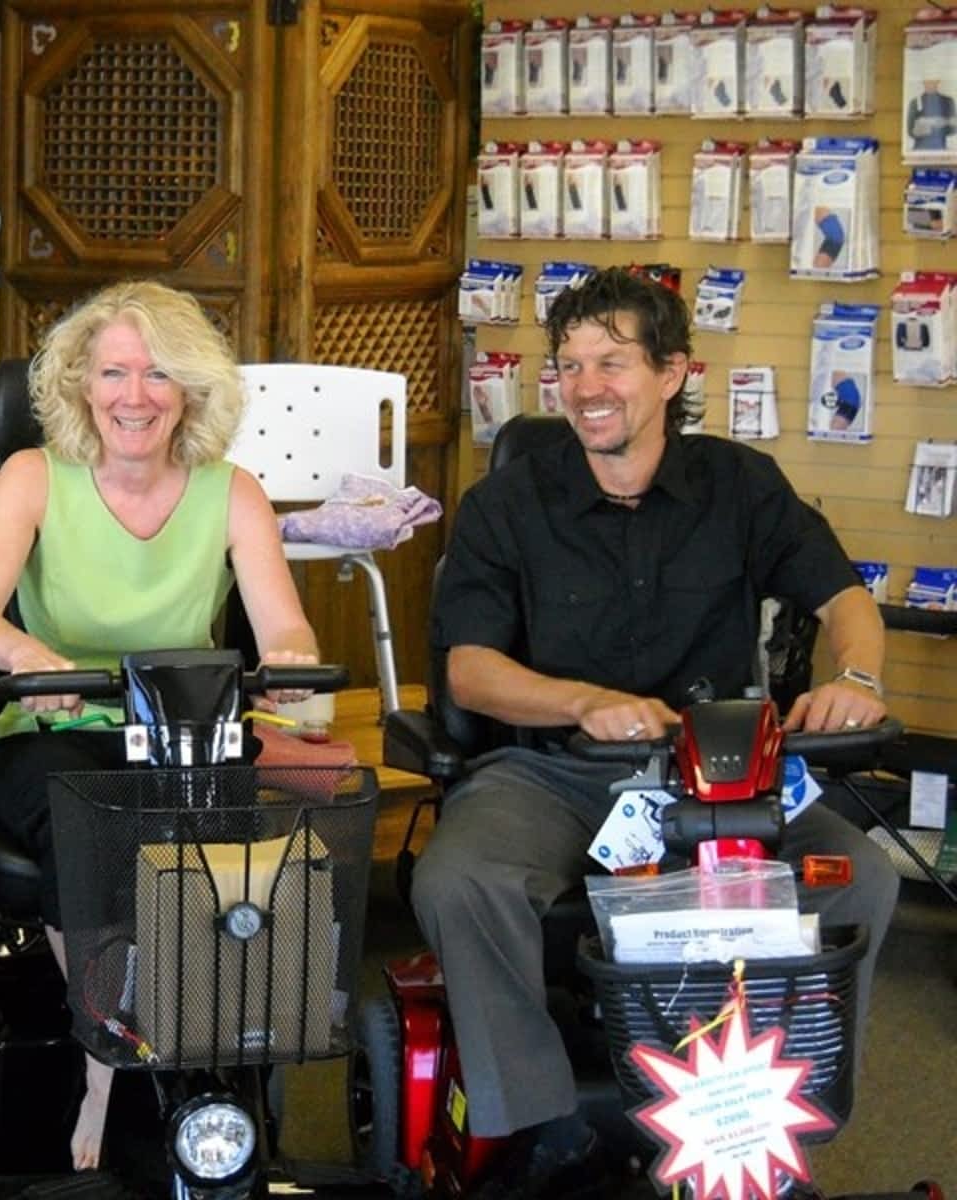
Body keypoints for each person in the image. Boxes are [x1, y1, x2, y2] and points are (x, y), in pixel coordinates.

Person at [412, 267, 899, 1199]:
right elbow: (470, 670)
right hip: (553, 771)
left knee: (861, 877)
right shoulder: (507, 503)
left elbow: (844, 600)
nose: (585, 386)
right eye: (569, 365)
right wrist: (580, 702)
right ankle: (540, 1124)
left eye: (612, 362)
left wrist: (858, 680)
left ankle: (772, 1119)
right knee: (460, 879)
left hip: (717, 775)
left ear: (673, 372)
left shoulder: (740, 485)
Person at [0, 279, 320, 1171]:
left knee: (245, 850)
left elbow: (288, 630)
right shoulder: (34, 477)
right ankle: (105, 1060)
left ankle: (222, 1045)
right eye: (114, 372)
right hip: (57, 728)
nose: (134, 396)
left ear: (191, 390)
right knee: (94, 825)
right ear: (82, 385)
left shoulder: (233, 493)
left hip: (185, 728)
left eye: (158, 374)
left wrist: (293, 664)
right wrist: (29, 657)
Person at [907, 78, 956, 154]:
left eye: (933, 80)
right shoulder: (915, 102)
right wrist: (922, 128)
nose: (930, 83)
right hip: (920, 150)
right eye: (927, 80)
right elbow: (910, 131)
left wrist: (935, 124)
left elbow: (953, 128)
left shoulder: (948, 101)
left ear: (938, 81)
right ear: (923, 81)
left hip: (941, 149)